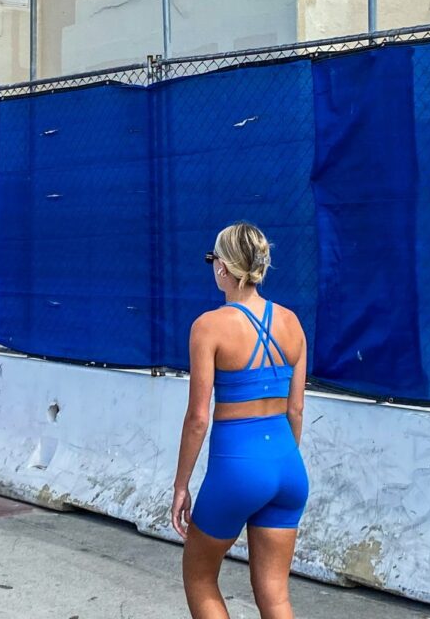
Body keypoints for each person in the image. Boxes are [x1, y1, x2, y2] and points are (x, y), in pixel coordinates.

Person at [171, 224, 309, 619]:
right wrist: (278, 462)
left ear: (224, 267)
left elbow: (198, 418)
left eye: (212, 259)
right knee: (275, 594)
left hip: (238, 469)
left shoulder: (209, 326)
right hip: (288, 467)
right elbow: (296, 410)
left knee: (200, 576)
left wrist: (181, 485)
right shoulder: (291, 322)